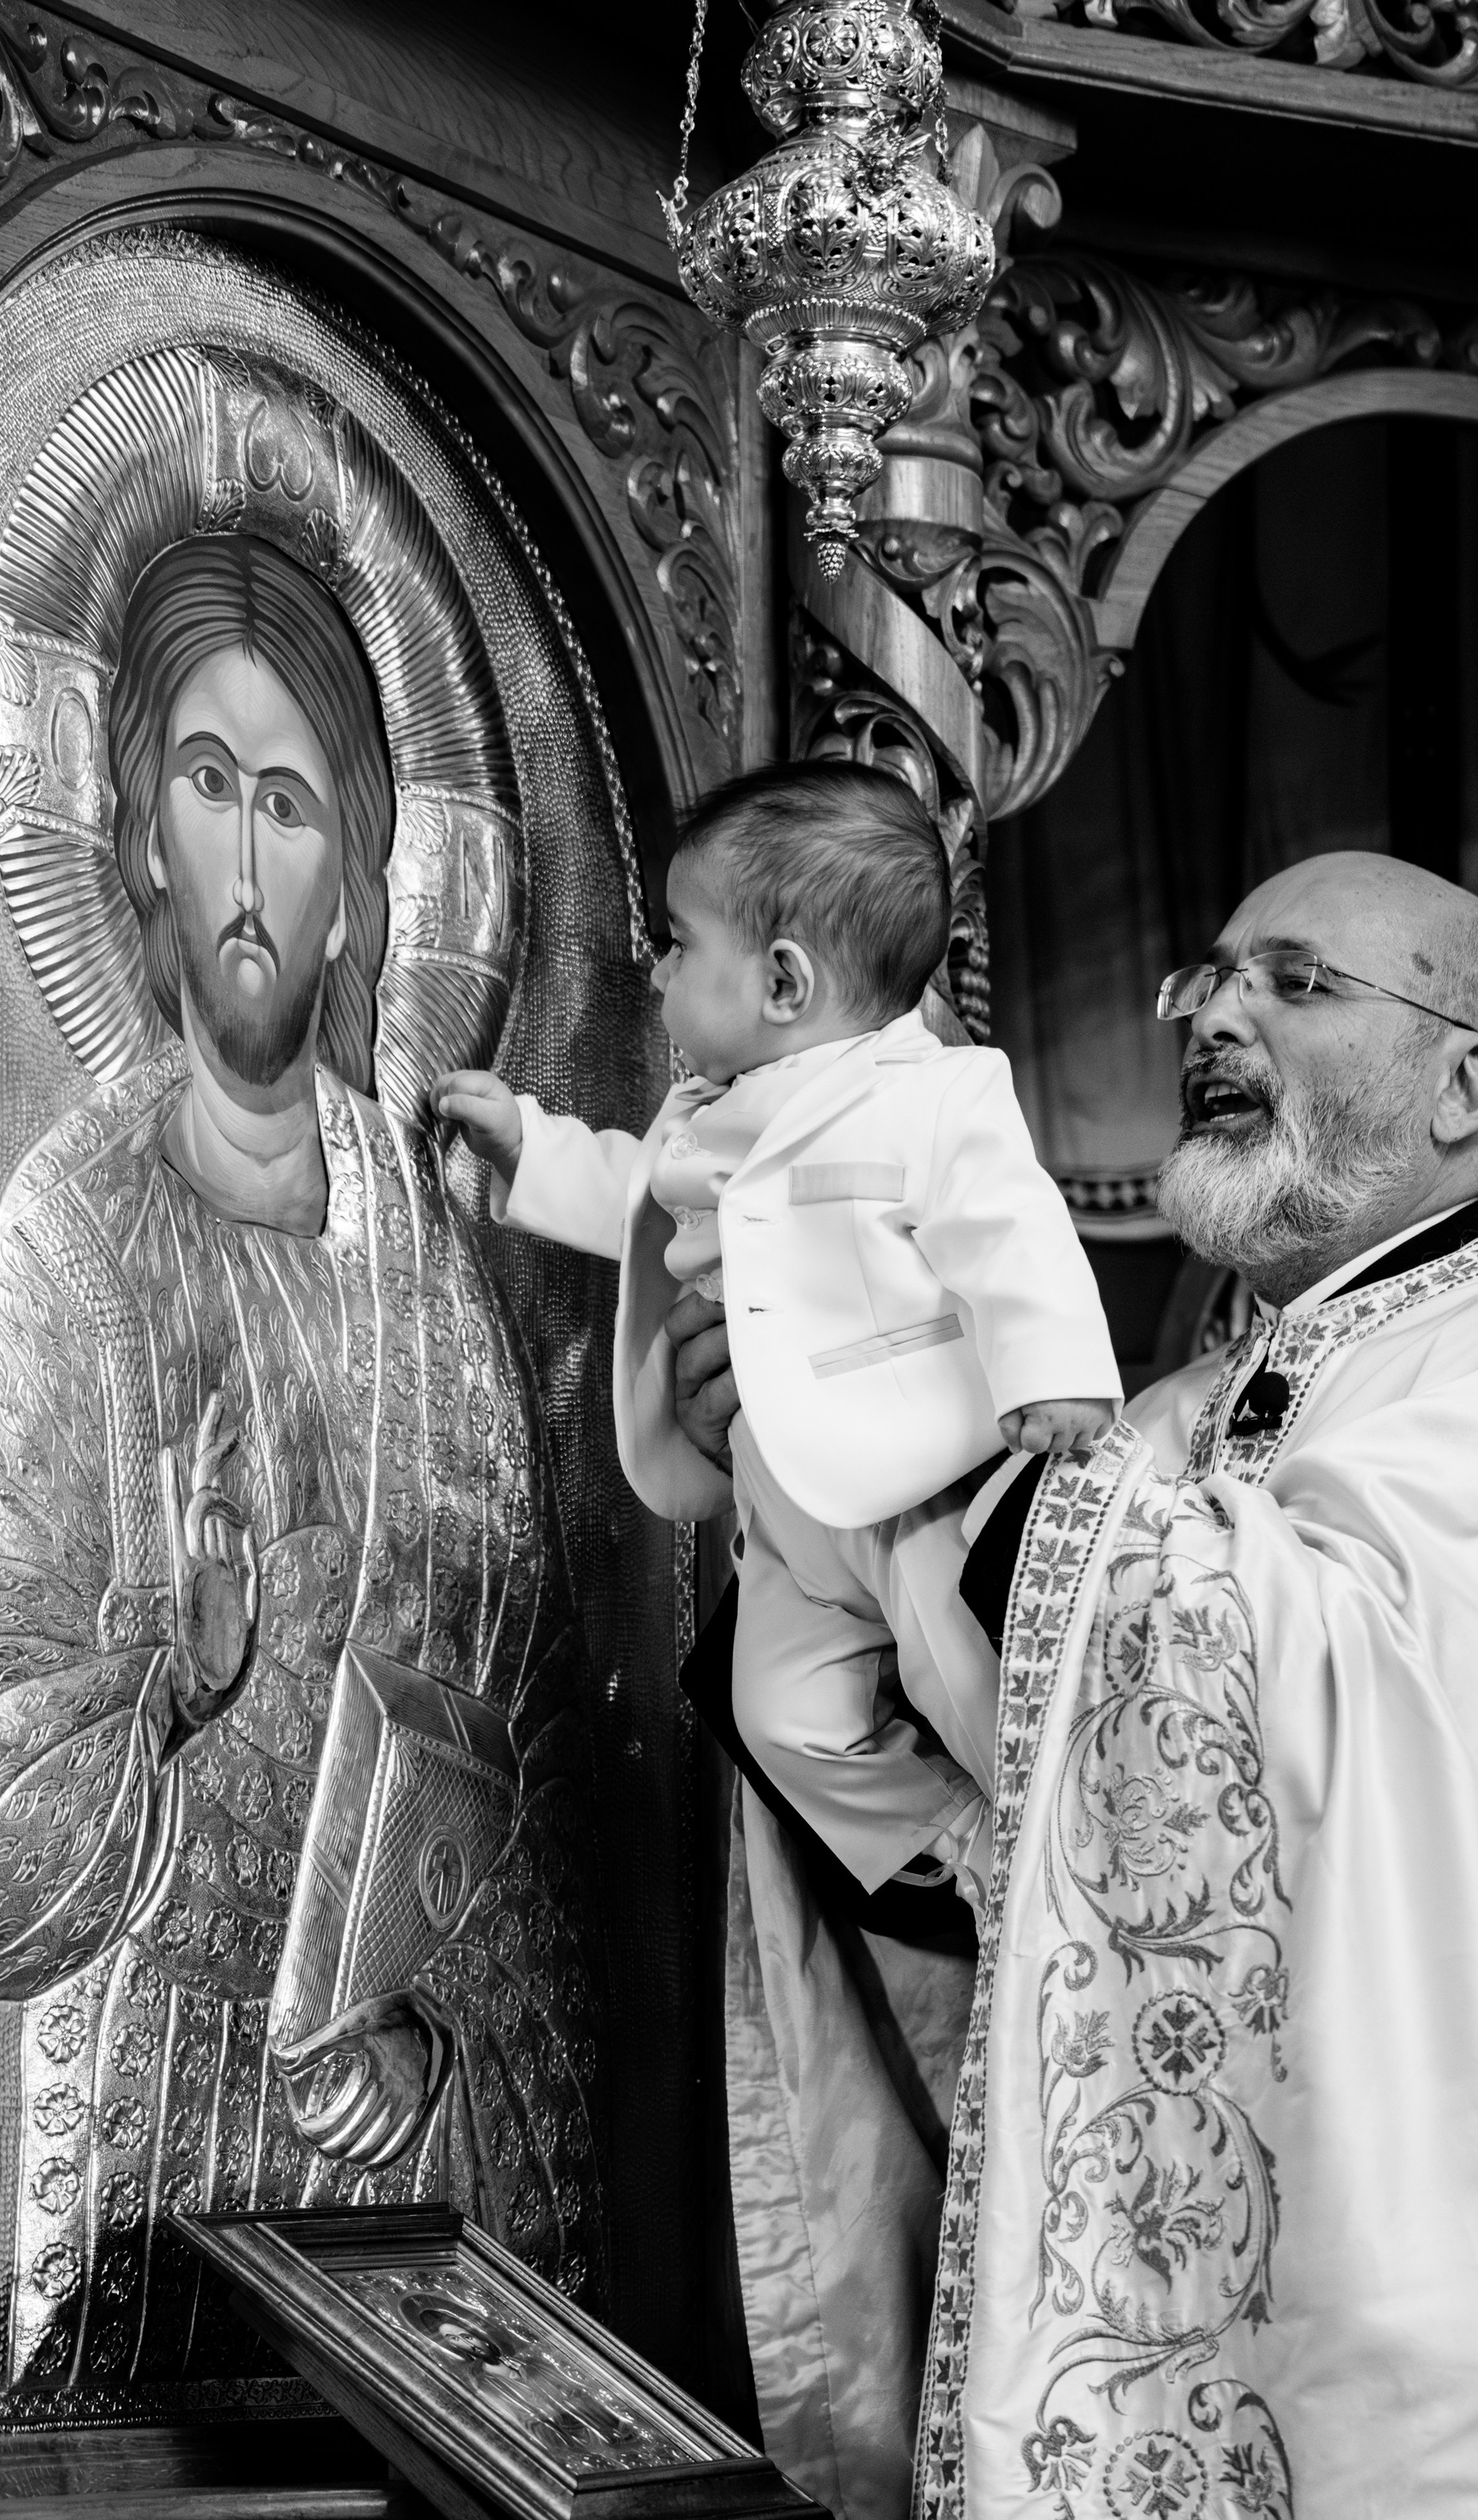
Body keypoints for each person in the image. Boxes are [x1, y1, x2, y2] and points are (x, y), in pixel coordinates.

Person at [888, 851, 1478, 2520]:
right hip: (1195, 2241)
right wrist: (849, 1477)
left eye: (1297, 982)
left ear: (1464, 1083)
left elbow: (1347, 1716)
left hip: (1468, 2300)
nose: (1218, 1016)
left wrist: (1008, 1484)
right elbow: (1024, 1753)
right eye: (1212, 977)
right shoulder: (1167, 1413)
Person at [0, 533, 602, 2395]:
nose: (242, 861)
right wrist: (166, 1682)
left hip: (407, 2138)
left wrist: (416, 2016)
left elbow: (529, 1740)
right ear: (139, 830)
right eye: (207, 784)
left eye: (290, 806)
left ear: (354, 876)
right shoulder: (74, 1221)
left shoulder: (422, 1254)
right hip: (151, 2114)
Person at [435, 760, 1120, 1910]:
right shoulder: (707, 1114)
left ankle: (1078, 1846)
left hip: (911, 1489)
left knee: (974, 1681)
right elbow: (641, 1203)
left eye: (678, 944)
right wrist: (530, 1149)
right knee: (779, 1713)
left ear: (785, 981)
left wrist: (1052, 1374)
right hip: (777, 1504)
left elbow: (1009, 1226)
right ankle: (974, 1851)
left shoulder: (931, 1096)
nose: (656, 969)